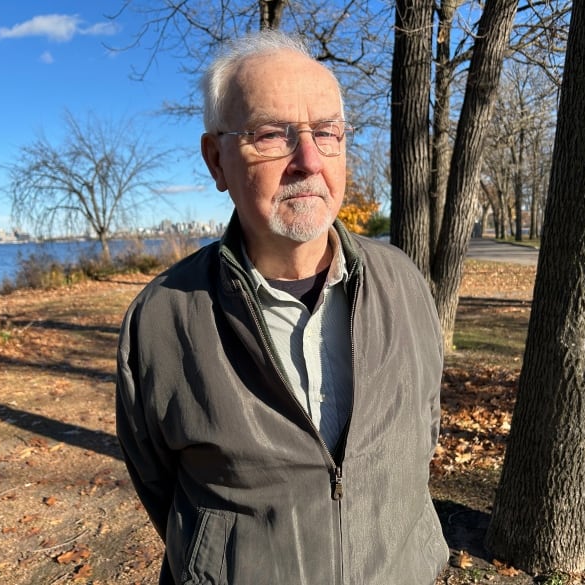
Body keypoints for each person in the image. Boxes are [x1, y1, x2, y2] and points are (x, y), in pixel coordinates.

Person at [116, 29, 449, 585]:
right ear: (216, 161)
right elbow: (162, 488)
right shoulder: (161, 321)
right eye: (272, 134)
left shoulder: (406, 285)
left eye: (327, 133)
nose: (308, 160)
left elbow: (422, 438)